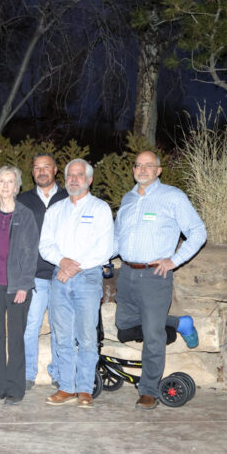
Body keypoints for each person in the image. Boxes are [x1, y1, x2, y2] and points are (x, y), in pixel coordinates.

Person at [114, 151, 206, 410]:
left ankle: (149, 390)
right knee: (124, 325)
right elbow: (117, 238)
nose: (142, 169)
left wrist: (174, 260)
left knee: (153, 334)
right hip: (127, 273)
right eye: (138, 165)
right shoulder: (128, 198)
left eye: (148, 166)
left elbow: (198, 232)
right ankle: (179, 323)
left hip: (155, 276)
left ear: (158, 170)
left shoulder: (172, 197)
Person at [39, 159, 113, 409]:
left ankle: (84, 388)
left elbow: (105, 248)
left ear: (89, 180)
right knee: (62, 337)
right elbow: (45, 245)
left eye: (79, 175)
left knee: (87, 337)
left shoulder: (100, 209)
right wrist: (62, 262)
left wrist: (73, 266)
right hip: (60, 278)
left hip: (87, 278)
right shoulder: (55, 210)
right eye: (70, 175)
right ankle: (66, 387)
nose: (73, 179)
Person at [0, 166, 39, 405]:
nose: (5, 185)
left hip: (18, 287)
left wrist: (24, 285)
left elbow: (31, 253)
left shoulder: (25, 215)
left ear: (17, 187)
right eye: (1, 181)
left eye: (10, 181)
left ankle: (15, 389)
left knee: (15, 338)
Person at [17, 154, 68, 390]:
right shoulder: (23, 200)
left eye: (46, 167)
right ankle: (27, 374)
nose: (41, 171)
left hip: (62, 274)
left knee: (60, 328)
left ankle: (58, 373)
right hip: (34, 274)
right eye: (36, 167)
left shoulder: (69, 197)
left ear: (56, 170)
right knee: (30, 326)